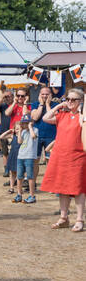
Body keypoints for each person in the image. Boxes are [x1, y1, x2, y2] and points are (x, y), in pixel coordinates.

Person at [41, 88, 86, 232]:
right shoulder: (62, 115)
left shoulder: (83, 116)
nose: (70, 102)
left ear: (81, 101)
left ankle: (79, 219)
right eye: (68, 99)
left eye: (74, 99)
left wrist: (82, 113)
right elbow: (45, 118)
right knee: (62, 188)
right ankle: (64, 217)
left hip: (77, 156)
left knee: (78, 189)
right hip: (61, 155)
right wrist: (59, 106)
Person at [4, 87, 31, 194]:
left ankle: (24, 181)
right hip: (15, 135)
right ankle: (13, 183)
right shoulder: (13, 106)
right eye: (18, 95)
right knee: (13, 159)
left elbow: (25, 114)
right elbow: (7, 113)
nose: (20, 98)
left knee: (25, 160)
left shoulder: (29, 106)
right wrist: (14, 102)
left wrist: (25, 103)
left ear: (26, 96)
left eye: (22, 96)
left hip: (25, 136)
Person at [30, 86, 59, 183]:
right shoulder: (35, 104)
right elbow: (35, 117)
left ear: (51, 95)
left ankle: (51, 183)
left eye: (47, 94)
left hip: (51, 135)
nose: (45, 96)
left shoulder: (56, 104)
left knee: (50, 161)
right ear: (39, 95)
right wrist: (41, 105)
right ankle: (32, 183)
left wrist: (47, 104)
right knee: (35, 161)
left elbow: (54, 117)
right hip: (37, 136)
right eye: (43, 94)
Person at [13, 114, 38, 203]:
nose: (24, 125)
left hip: (29, 156)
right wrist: (19, 130)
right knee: (19, 177)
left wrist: (30, 127)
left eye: (26, 123)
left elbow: (33, 136)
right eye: (23, 123)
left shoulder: (35, 130)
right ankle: (19, 194)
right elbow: (19, 141)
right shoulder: (23, 132)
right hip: (21, 156)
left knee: (30, 176)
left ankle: (32, 196)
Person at [0, 90, 14, 174]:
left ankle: (12, 169)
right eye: (6, 96)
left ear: (13, 96)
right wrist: (2, 98)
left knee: (14, 152)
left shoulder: (16, 104)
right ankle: (6, 169)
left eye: (9, 96)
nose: (8, 98)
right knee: (5, 152)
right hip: (4, 131)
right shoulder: (3, 105)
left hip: (14, 131)